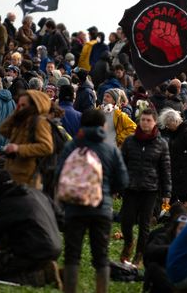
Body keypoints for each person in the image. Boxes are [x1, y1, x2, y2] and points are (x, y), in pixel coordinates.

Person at [57, 108, 129, 293]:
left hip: (74, 207)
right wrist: (107, 192)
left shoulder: (72, 146)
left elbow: (59, 174)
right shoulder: (110, 148)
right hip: (101, 208)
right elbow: (123, 180)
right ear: (102, 125)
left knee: (72, 255)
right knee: (101, 256)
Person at [0, 170, 62, 287]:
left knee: (0, 274)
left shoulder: (8, 203)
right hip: (55, 247)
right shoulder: (38, 194)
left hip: (34, 250)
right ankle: (53, 271)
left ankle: (42, 277)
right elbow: (61, 219)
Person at [120, 108, 171, 266]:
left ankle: (139, 254)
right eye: (143, 120)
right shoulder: (130, 141)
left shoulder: (161, 143)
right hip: (130, 187)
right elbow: (121, 164)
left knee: (144, 224)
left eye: (148, 120)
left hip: (150, 189)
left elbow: (166, 169)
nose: (145, 123)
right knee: (126, 221)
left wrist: (167, 192)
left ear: (155, 122)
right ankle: (129, 242)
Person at [0, 90, 54, 187]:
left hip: (27, 177)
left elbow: (46, 147)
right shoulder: (21, 119)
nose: (20, 108)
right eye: (19, 105)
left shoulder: (40, 122)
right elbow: (3, 130)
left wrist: (18, 149)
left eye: (23, 105)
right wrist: (15, 113)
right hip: (12, 172)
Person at [159, 108, 187, 203]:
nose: (167, 127)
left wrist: (184, 156)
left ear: (175, 121)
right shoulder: (176, 132)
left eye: (168, 124)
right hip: (180, 173)